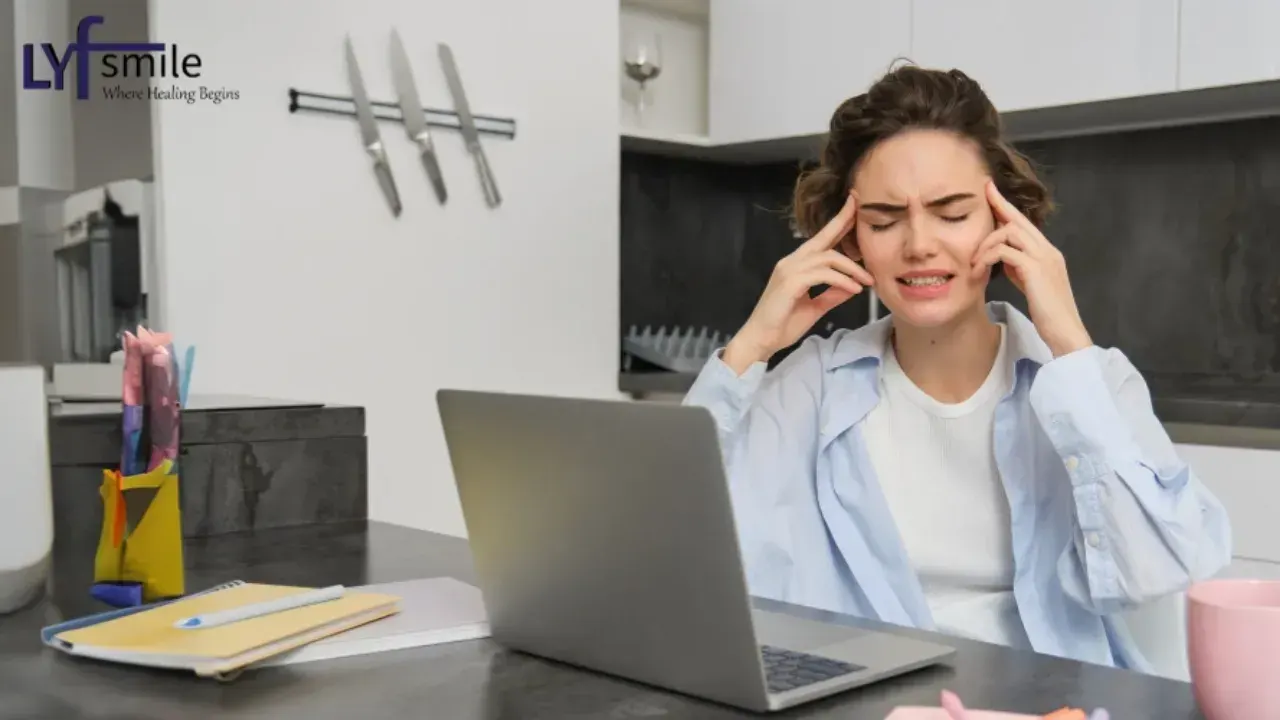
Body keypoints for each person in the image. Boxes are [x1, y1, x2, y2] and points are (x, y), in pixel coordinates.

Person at [681, 64, 1232, 671]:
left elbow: (1157, 571)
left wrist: (1069, 343)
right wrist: (753, 345)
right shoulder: (811, 386)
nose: (918, 244)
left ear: (1004, 220)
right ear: (851, 237)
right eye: (885, 220)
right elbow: (676, 550)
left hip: (1049, 706)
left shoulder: (1091, 383)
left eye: (951, 213)